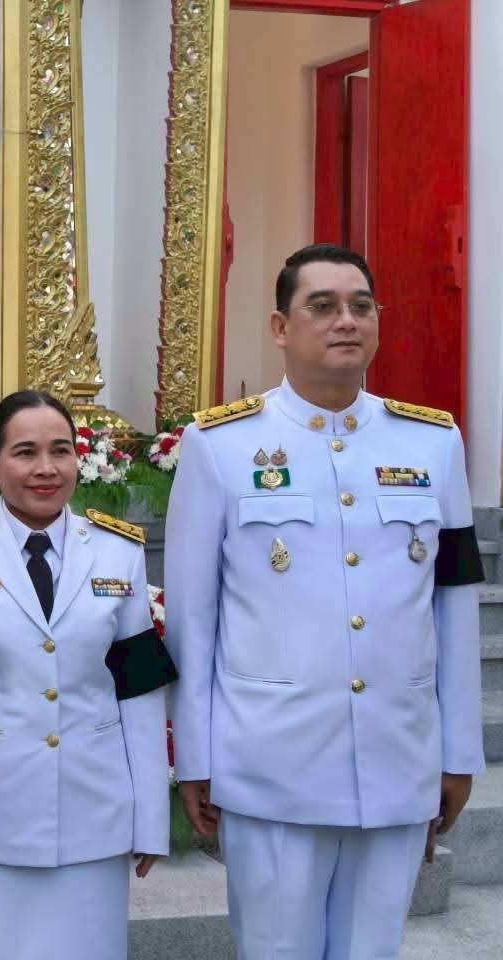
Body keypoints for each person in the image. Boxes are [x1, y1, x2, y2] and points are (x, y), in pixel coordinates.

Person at [165, 243, 485, 959]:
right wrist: (195, 757)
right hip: (270, 762)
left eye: (360, 306)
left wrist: (457, 750)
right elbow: (192, 618)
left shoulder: (432, 442)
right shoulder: (221, 445)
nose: (346, 321)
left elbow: (455, 605)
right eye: (323, 306)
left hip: (396, 758)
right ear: (281, 327)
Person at [0, 390, 177, 960]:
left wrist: (150, 815)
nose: (45, 469)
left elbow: (138, 691)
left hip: (95, 814)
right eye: (25, 452)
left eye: (61, 451)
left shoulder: (117, 552)